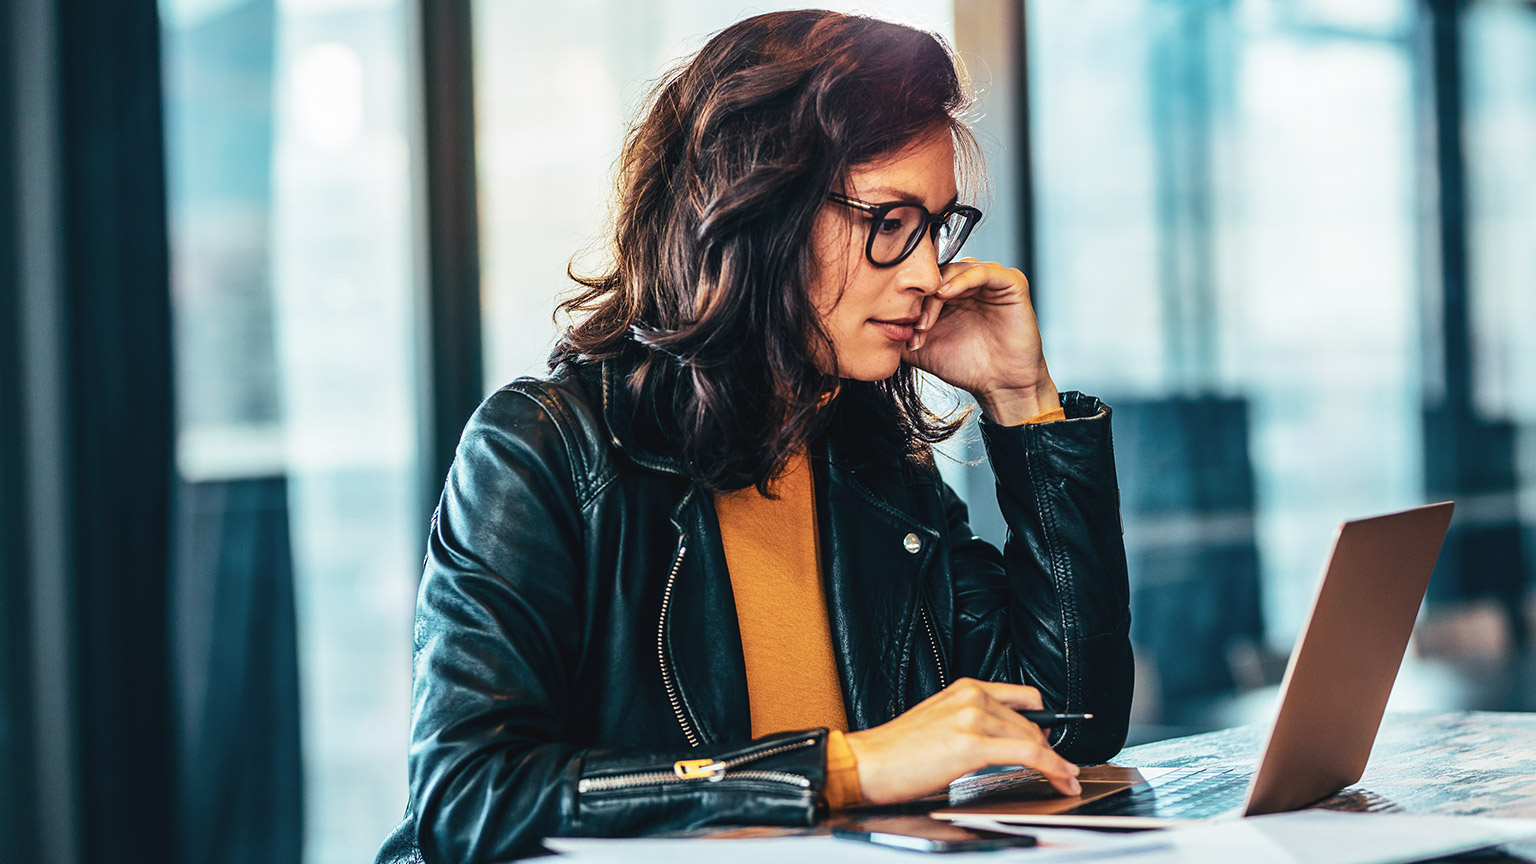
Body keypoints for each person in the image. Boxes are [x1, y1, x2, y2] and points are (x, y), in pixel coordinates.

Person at [377, 10, 1131, 863]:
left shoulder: (874, 461)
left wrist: (1023, 400)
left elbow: (1075, 722)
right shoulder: (541, 449)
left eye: (936, 227)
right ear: (759, 210)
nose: (927, 275)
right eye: (888, 222)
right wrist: (839, 768)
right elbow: (469, 797)